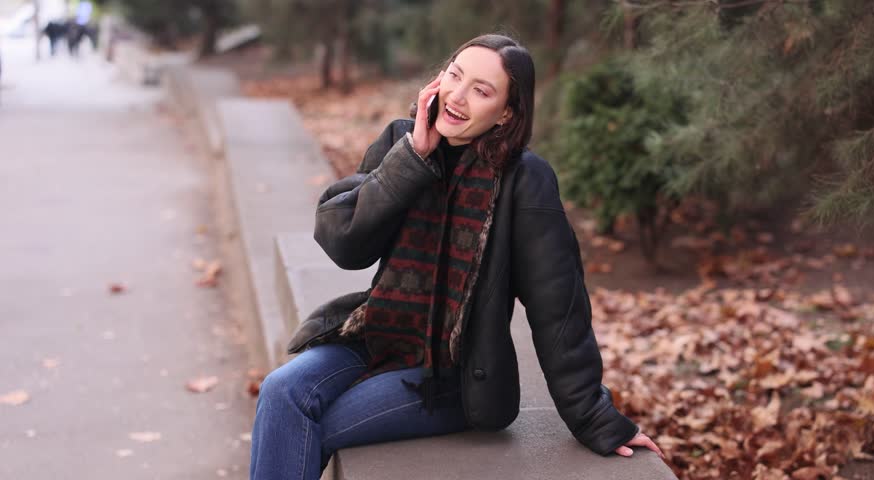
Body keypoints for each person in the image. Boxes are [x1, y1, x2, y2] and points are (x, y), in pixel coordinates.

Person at [249, 34, 664, 480]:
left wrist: (594, 417)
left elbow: (558, 309)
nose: (458, 97)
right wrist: (412, 158)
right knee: (281, 392)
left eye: (482, 91)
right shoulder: (402, 142)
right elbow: (343, 242)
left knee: (312, 424)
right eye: (455, 76)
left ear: (506, 112)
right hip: (377, 338)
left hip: (451, 378)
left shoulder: (526, 181)